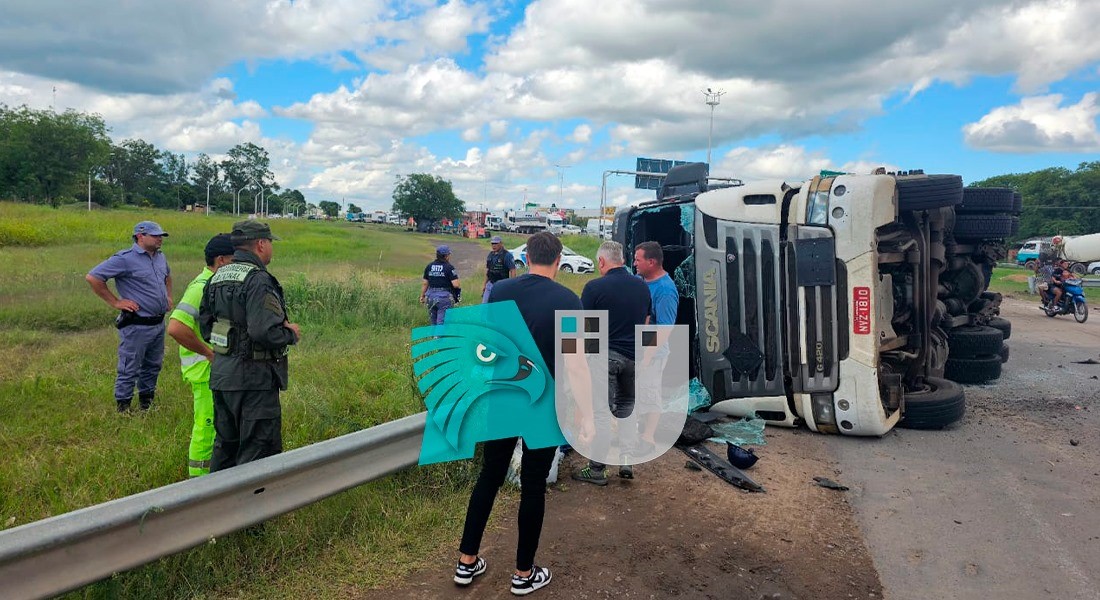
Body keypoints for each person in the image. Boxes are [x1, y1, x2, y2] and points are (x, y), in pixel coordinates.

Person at [454, 232, 581, 596]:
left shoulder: (502, 292)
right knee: (533, 486)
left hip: (503, 395)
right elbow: (579, 363)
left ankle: (466, 562)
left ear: (524, 257)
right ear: (558, 260)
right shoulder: (571, 300)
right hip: (544, 400)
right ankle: (523, 574)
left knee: (489, 477)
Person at [199, 221, 300, 471]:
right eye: (270, 243)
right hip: (254, 379)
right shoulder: (258, 280)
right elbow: (263, 331)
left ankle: (217, 504)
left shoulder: (216, 277)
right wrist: (290, 334)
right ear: (261, 244)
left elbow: (205, 327)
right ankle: (253, 507)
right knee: (258, 449)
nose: (271, 248)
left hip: (223, 376)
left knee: (226, 446)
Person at [572, 240, 651, 485]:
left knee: (601, 411)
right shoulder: (642, 288)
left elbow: (585, 329)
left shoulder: (595, 287)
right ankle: (626, 460)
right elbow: (646, 323)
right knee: (627, 408)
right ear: (623, 261)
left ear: (603, 262)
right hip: (633, 358)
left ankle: (597, 469)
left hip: (605, 357)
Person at [167, 234, 236, 477]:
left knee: (217, 425)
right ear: (221, 261)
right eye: (233, 259)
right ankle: (198, 483)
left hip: (213, 371)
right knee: (206, 427)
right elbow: (176, 327)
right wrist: (208, 354)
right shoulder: (201, 288)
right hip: (204, 371)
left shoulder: (215, 285)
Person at [86, 221, 173, 412]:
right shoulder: (125, 259)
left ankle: (146, 404)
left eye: (161, 235)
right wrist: (116, 302)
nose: (160, 239)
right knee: (129, 366)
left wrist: (168, 296)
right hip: (137, 325)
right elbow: (93, 277)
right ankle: (123, 407)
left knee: (153, 365)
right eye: (155, 235)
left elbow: (167, 276)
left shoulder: (160, 257)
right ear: (140, 236)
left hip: (157, 323)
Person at [633, 241, 679, 449]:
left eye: (638, 260)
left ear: (651, 262)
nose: (634, 263)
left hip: (654, 352)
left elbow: (664, 328)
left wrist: (647, 356)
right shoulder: (638, 281)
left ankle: (648, 438)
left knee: (651, 393)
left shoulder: (666, 290)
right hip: (636, 349)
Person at [421, 245, 461, 324]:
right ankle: (439, 336)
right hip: (444, 297)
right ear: (446, 256)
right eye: (449, 255)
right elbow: (456, 284)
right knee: (441, 321)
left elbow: (425, 283)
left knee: (433, 320)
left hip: (430, 296)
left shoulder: (429, 266)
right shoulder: (449, 267)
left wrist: (422, 296)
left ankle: (434, 335)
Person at [482, 236, 516, 303]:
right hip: (490, 284)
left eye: (496, 243)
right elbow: (488, 271)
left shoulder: (507, 255)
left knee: (499, 306)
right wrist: (484, 285)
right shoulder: (490, 255)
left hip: (502, 285)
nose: (494, 246)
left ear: (501, 243)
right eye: (492, 244)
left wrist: (512, 286)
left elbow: (513, 271)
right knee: (485, 306)